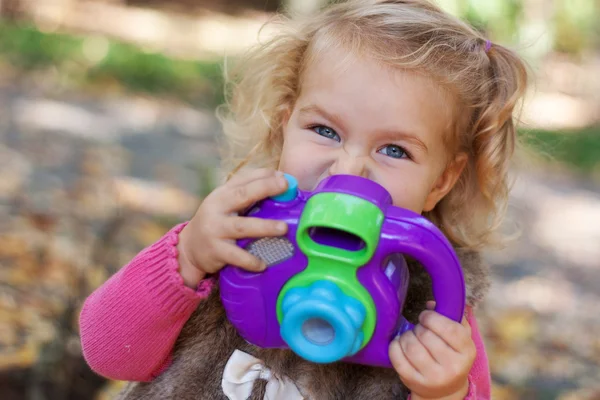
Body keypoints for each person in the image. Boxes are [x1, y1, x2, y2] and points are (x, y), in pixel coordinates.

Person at [79, 0, 528, 398]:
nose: (348, 169)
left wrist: (443, 391)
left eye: (394, 150)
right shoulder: (238, 241)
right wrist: (186, 257)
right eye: (325, 131)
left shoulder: (435, 304)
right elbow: (105, 353)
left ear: (441, 182)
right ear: (283, 126)